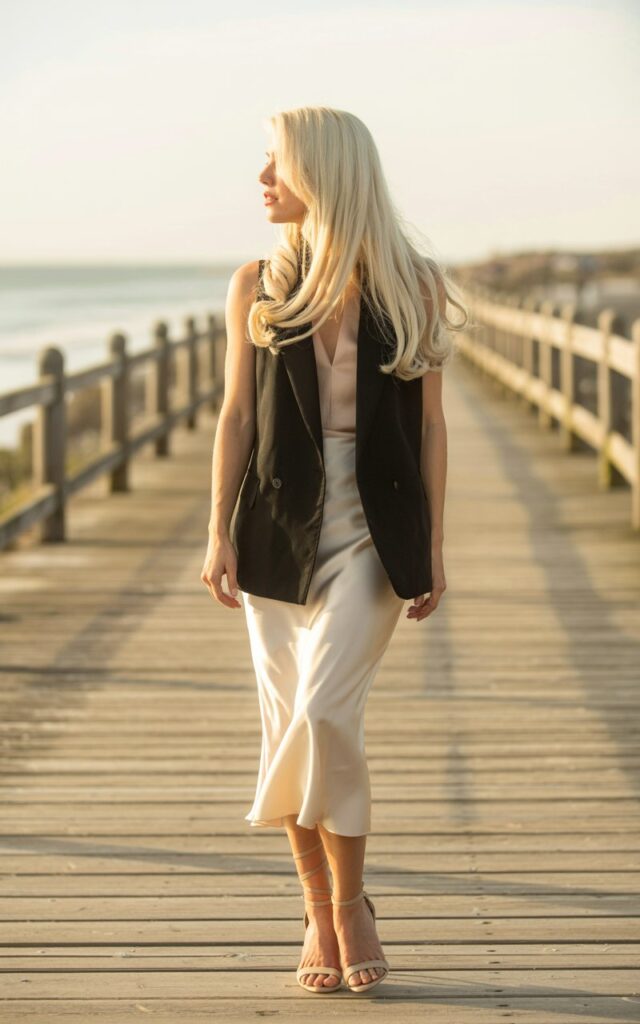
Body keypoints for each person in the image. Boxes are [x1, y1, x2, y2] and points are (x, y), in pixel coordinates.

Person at [201, 106, 467, 995]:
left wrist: (433, 543)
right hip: (276, 527)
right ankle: (319, 911)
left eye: (276, 161)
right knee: (287, 723)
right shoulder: (257, 285)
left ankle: (351, 904)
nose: (262, 178)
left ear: (324, 171)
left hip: (375, 527)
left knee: (323, 714)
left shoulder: (412, 284)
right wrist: (216, 529)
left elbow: (432, 426)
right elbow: (237, 417)